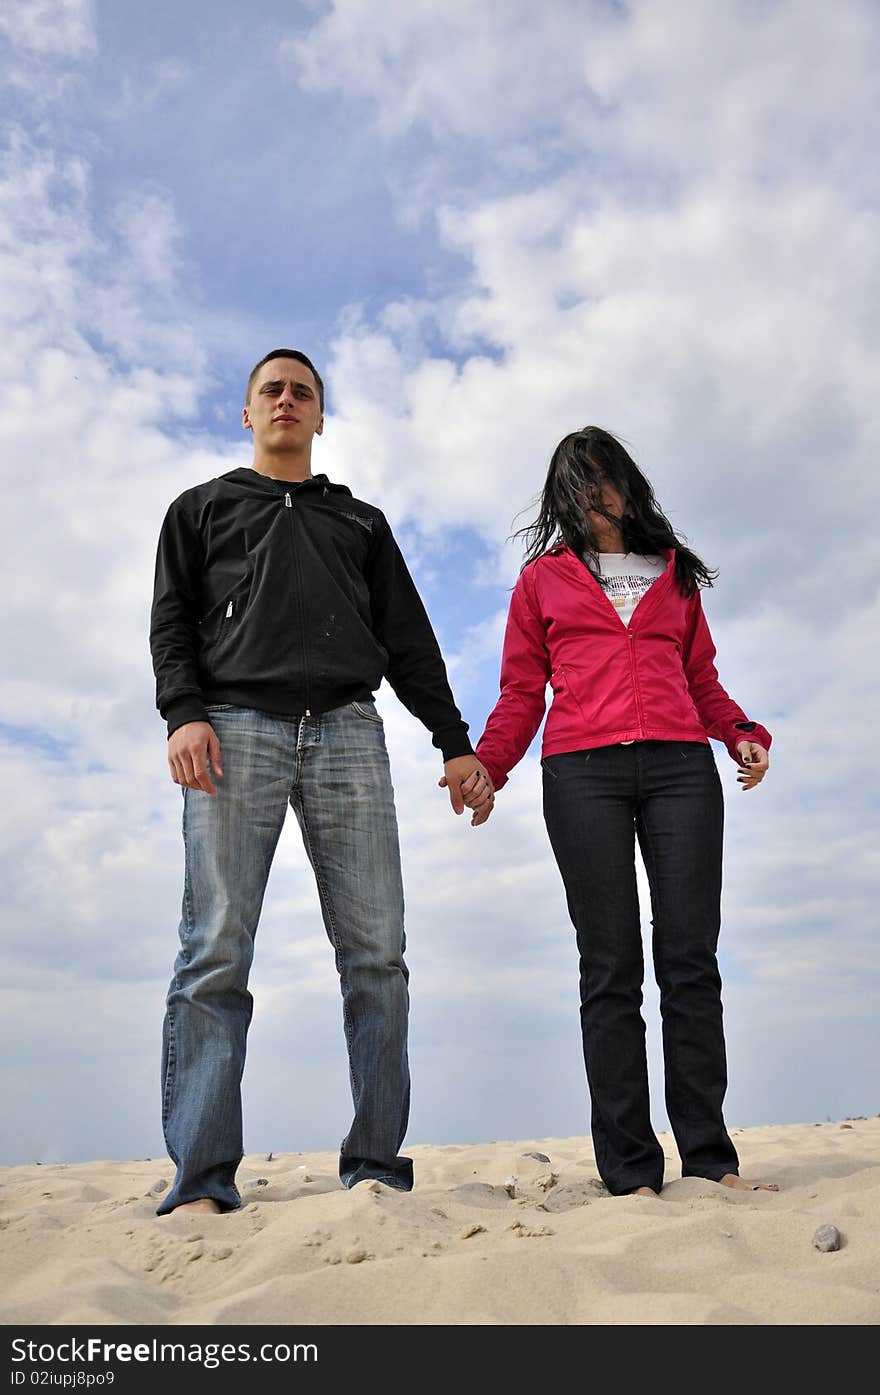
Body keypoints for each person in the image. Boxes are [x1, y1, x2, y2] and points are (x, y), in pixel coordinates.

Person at [149, 348, 495, 1215]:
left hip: (349, 728)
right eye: (271, 389)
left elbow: (409, 637)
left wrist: (454, 742)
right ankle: (200, 1178)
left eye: (303, 391)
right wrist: (183, 711)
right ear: (247, 413)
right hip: (233, 728)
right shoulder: (200, 510)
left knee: (377, 955)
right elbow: (172, 622)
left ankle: (375, 1164)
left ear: (320, 416)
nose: (287, 400)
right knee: (215, 950)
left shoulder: (362, 524)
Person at [473, 426, 777, 1198]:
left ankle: (710, 1157)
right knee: (609, 968)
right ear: (561, 496)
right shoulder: (541, 581)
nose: (593, 492)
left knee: (690, 960)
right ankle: (631, 1170)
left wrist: (742, 733)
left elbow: (701, 676)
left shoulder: (674, 572)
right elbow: (520, 691)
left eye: (604, 475)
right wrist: (489, 764)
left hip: (681, 767)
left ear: (628, 482)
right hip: (580, 772)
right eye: (578, 480)